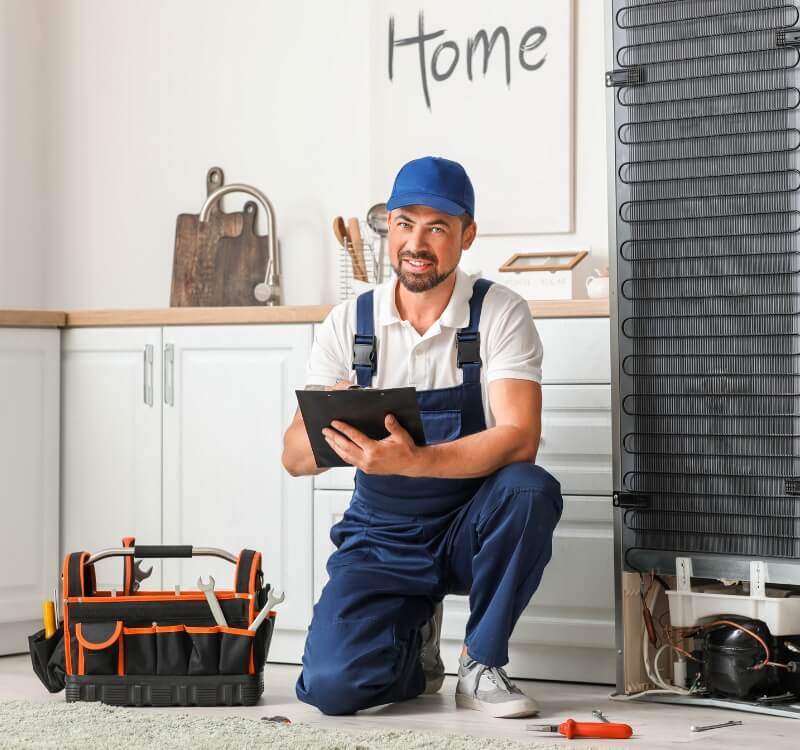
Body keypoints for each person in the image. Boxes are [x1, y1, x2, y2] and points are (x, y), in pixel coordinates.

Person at [282, 156, 563, 718]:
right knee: (332, 689)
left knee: (530, 488)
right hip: (380, 534)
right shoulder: (350, 323)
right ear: (389, 226)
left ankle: (481, 665)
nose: (417, 242)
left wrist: (413, 460)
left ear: (467, 235)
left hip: (469, 523)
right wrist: (329, 423)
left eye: (437, 227)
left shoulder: (498, 313)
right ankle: (415, 654)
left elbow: (517, 439)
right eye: (405, 223)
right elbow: (292, 457)